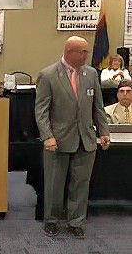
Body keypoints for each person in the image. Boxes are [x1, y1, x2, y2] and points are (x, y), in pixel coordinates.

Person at [35, 36, 110, 239]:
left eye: (87, 51)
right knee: (54, 183)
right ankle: (51, 219)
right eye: (83, 52)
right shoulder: (48, 75)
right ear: (69, 52)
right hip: (57, 141)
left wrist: (103, 132)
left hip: (85, 138)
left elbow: (98, 107)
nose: (87, 55)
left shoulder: (91, 74)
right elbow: (41, 111)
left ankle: (76, 221)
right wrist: (47, 136)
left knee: (81, 183)